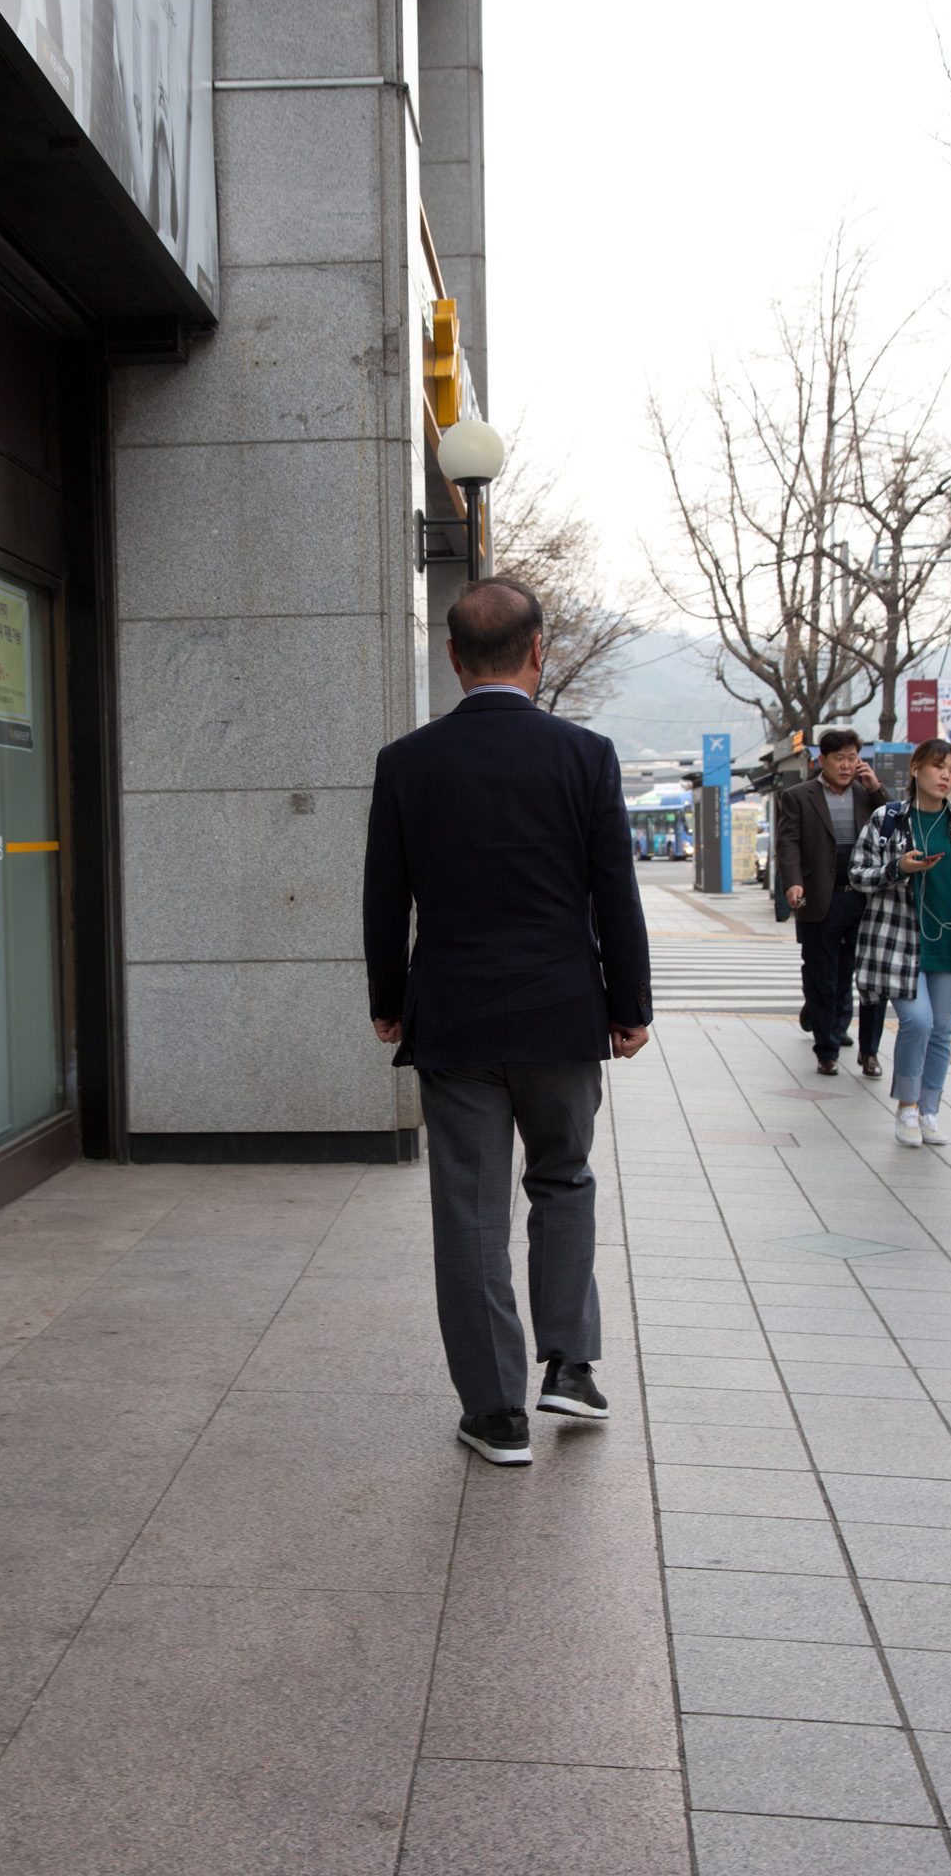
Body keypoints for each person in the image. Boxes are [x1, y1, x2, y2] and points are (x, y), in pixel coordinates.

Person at [362, 577, 652, 1467]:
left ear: (451, 657)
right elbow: (614, 890)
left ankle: (495, 1415)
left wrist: (387, 998)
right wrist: (629, 1005)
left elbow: (384, 898)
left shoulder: (406, 762)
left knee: (470, 1211)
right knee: (563, 1179)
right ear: (539, 650)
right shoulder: (586, 755)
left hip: (453, 1016)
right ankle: (569, 1364)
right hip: (562, 1014)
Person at [850, 738, 951, 1147]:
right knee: (917, 1022)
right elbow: (857, 875)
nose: (946, 776)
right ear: (917, 768)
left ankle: (929, 1110)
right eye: (939, 767)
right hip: (897, 941)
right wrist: (897, 868)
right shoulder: (888, 818)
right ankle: (906, 1106)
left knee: (941, 1031)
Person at [775, 730, 891, 1078]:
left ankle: (867, 1050)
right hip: (820, 899)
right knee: (821, 977)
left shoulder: (866, 794)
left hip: (864, 898)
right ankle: (826, 1049)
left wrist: (876, 788)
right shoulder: (799, 796)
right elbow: (789, 843)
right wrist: (793, 882)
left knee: (867, 978)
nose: (846, 764)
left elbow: (897, 824)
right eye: (839, 758)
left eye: (852, 756)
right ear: (821, 760)